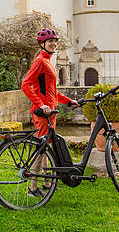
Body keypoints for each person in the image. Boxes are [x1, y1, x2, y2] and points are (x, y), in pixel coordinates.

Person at [21, 28, 78, 196]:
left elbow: (52, 91)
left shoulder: (48, 62)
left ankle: (46, 183)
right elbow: (25, 85)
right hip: (43, 113)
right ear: (42, 43)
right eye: (50, 41)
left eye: (55, 41)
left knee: (47, 148)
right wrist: (40, 104)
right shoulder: (40, 61)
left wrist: (68, 101)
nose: (54, 43)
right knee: (41, 149)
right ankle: (32, 188)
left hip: (51, 112)